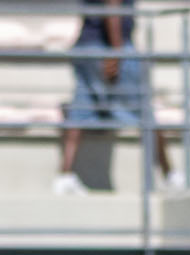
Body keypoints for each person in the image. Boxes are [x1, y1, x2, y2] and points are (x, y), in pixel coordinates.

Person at [55, 0, 178, 196]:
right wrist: (117, 51)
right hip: (109, 48)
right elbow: (112, 5)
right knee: (144, 112)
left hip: (86, 47)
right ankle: (170, 176)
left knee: (81, 108)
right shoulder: (115, 46)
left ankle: (65, 176)